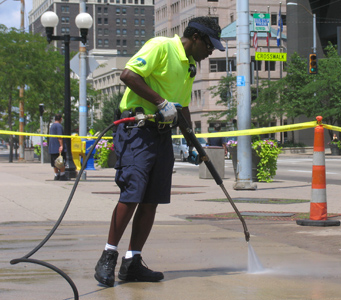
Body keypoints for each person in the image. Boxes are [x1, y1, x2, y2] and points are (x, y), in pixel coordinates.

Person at [94, 16, 225, 287]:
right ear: (197, 37)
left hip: (163, 133)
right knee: (132, 193)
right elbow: (128, 75)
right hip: (137, 129)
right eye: (210, 45)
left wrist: (193, 141)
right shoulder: (161, 46)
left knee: (152, 198)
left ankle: (133, 262)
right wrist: (160, 102)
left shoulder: (190, 66)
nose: (211, 51)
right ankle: (108, 256)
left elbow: (183, 107)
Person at [49, 113, 67, 181]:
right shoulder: (59, 126)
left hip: (52, 147)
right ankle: (62, 175)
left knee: (54, 162)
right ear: (61, 119)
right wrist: (61, 145)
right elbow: (60, 136)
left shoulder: (52, 125)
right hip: (58, 147)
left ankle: (56, 175)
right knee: (61, 161)